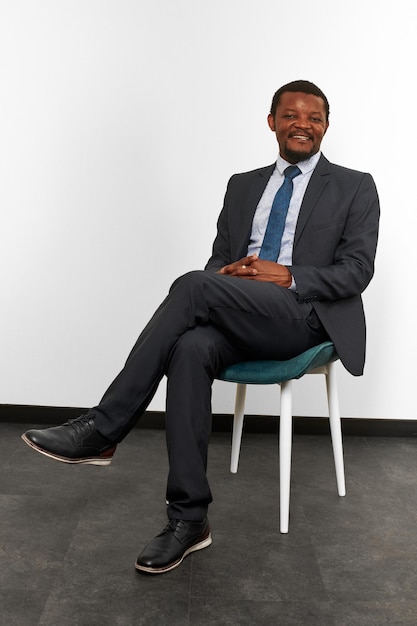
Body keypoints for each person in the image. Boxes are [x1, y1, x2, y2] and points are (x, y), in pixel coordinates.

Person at [21, 80, 380, 574]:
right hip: (243, 310)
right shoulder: (242, 184)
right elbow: (219, 258)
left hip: (303, 316)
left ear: (326, 126)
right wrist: (226, 277)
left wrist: (288, 274)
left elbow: (358, 270)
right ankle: (189, 520)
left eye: (314, 118)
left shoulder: (355, 184)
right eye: (292, 115)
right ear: (272, 122)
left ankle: (104, 428)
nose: (303, 124)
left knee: (192, 286)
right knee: (190, 346)